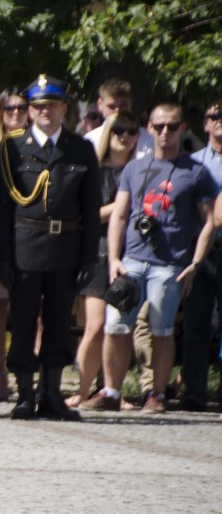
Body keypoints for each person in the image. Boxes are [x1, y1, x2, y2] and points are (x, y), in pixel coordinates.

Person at [87, 102, 217, 414]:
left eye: (172, 126)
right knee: (116, 327)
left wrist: (195, 264)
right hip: (131, 260)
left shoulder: (196, 171)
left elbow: (210, 221)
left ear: (183, 128)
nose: (165, 132)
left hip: (169, 265)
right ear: (150, 128)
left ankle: (156, 394)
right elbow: (119, 215)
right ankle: (110, 391)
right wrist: (114, 259)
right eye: (158, 126)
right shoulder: (134, 168)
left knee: (161, 331)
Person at [0, 75, 100, 421]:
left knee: (57, 322)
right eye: (38, 106)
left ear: (65, 108)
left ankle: (51, 393)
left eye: (52, 105)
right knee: (22, 321)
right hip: (25, 246)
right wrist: (2, 257)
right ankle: (25, 394)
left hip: (65, 246)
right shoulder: (11, 148)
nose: (45, 111)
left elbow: (90, 209)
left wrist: (88, 258)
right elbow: (1, 207)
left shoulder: (81, 149)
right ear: (30, 111)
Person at [62, 111, 140, 408]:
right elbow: (85, 216)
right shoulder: (93, 168)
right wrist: (120, 206)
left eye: (132, 130)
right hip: (95, 253)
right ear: (109, 132)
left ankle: (112, 392)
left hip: (129, 253)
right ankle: (81, 390)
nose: (125, 136)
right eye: (119, 129)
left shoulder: (139, 171)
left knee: (119, 328)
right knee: (94, 327)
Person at [0, 87, 29, 400]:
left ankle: (29, 374)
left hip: (29, 236)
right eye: (9, 108)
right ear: (0, 112)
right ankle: (0, 375)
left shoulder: (38, 145)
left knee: (32, 309)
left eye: (21, 108)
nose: (15, 113)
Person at [181, 99, 222, 412]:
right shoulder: (191, 163)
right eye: (215, 116)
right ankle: (194, 390)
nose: (220, 120)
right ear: (205, 124)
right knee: (195, 322)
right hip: (198, 250)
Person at [84, 78, 154, 158]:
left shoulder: (148, 140)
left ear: (130, 103)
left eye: (123, 105)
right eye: (111, 106)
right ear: (100, 104)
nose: (118, 111)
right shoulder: (90, 140)